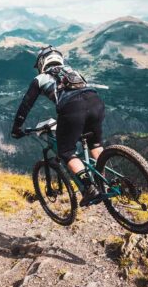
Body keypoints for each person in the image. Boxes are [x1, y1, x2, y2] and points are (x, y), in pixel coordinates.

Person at [10, 46, 106, 204]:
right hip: (96, 103)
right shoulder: (72, 71)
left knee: (66, 151)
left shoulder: (40, 79)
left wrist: (16, 128)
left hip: (72, 109)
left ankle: (90, 189)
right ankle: (106, 184)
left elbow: (25, 105)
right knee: (95, 144)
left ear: (42, 63)